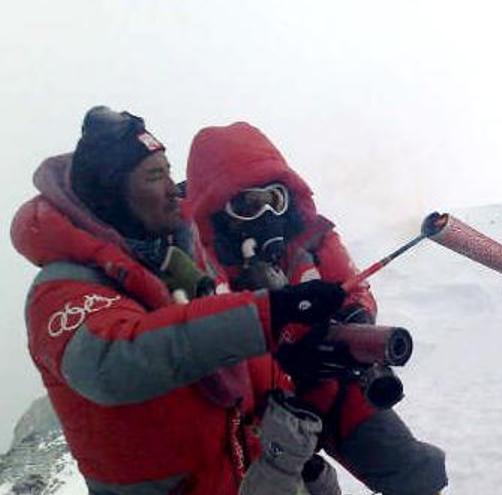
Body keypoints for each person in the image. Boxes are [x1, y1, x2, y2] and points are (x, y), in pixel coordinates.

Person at [11, 106, 348, 494]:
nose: (174, 188)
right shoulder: (60, 290)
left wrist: (287, 365)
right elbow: (114, 363)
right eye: (155, 176)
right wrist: (268, 314)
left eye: (169, 171)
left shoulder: (176, 258)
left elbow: (222, 352)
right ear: (111, 194)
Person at [183, 121, 448, 495]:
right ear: (215, 208)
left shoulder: (313, 236)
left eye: (273, 198)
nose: (265, 215)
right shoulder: (199, 263)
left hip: (330, 381)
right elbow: (205, 340)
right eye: (246, 204)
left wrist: (356, 322)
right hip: (258, 410)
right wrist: (281, 356)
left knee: (413, 471)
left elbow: (356, 290)